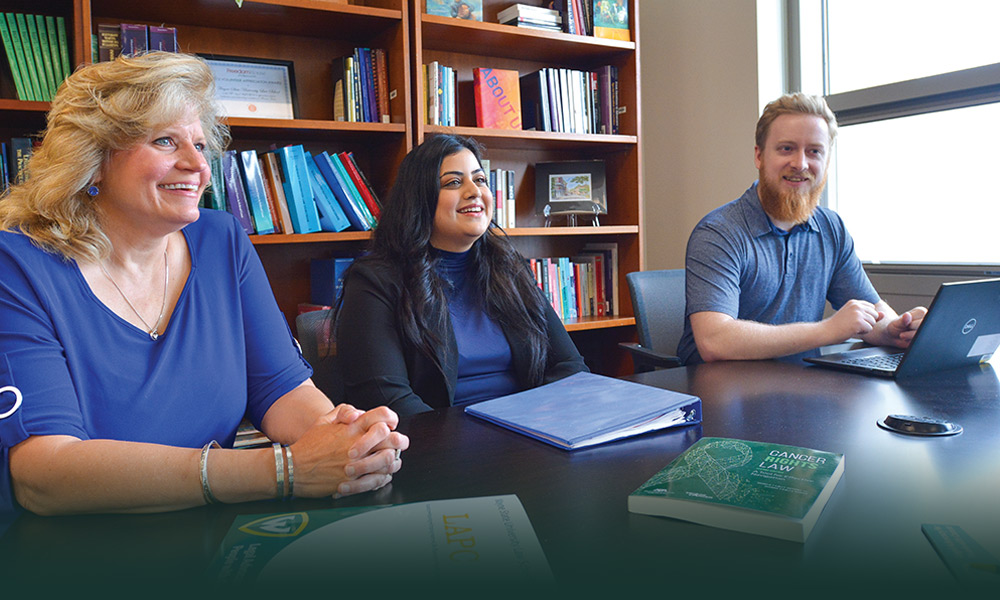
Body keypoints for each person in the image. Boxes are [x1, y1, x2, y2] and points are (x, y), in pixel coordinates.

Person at [0, 52, 407, 516]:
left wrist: (347, 438)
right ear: (92, 161)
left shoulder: (221, 239)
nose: (198, 164)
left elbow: (280, 388)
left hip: (217, 532)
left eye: (199, 143)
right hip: (77, 554)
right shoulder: (16, 265)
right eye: (166, 142)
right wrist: (285, 471)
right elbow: (42, 474)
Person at [334, 135, 588, 416]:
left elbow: (570, 367)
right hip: (437, 448)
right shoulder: (375, 281)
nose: (474, 191)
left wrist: (533, 423)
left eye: (480, 180)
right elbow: (388, 400)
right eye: (453, 183)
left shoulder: (509, 268)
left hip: (527, 437)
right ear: (419, 200)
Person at [677, 93, 927, 365]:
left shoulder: (832, 228)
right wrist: (827, 330)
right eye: (786, 148)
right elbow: (715, 340)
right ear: (759, 156)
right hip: (721, 394)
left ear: (826, 162)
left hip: (802, 388)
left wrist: (895, 329)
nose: (800, 163)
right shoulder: (719, 233)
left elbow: (872, 312)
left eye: (814, 151)